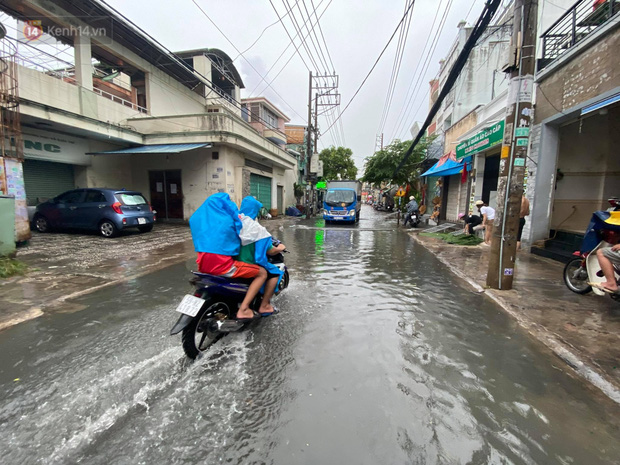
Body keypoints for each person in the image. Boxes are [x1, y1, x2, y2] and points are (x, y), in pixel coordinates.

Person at [189, 193, 268, 322]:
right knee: (262, 273)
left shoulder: (198, 220)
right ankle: (243, 309)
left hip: (202, 265)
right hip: (222, 266)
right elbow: (243, 234)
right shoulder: (230, 220)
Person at [237, 196, 286, 317]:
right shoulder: (255, 228)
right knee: (274, 273)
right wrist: (281, 248)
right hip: (248, 264)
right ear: (255, 211)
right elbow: (270, 251)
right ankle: (264, 306)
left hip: (231, 263)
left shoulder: (233, 223)